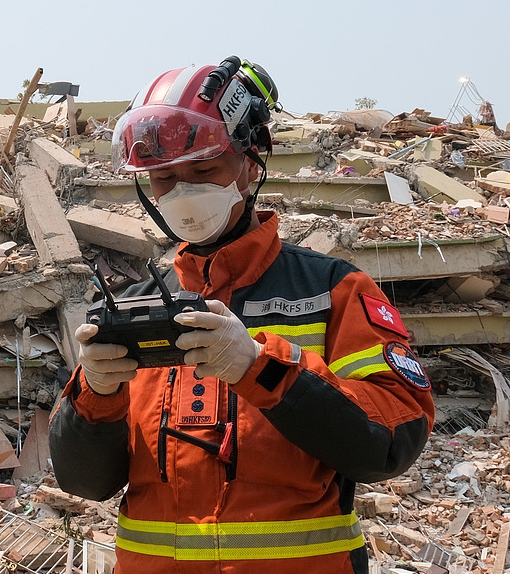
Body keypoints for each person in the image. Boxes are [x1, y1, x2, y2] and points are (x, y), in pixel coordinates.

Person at [48, 57, 434, 574]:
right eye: (163, 179)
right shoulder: (135, 307)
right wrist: (96, 395)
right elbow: (85, 483)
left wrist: (260, 367)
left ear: (251, 164)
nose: (182, 193)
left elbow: (390, 443)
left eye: (204, 171)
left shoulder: (334, 291)